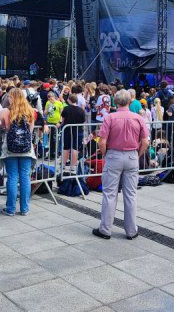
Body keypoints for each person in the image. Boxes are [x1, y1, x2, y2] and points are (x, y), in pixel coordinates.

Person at [92, 89, 149, 240]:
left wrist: (106, 154)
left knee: (110, 194)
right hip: (132, 156)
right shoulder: (138, 118)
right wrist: (138, 155)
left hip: (114, 155)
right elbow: (145, 141)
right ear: (130, 101)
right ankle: (131, 231)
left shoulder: (109, 118)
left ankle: (105, 229)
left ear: (115, 102)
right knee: (131, 195)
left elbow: (102, 141)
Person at [1, 88, 36, 217]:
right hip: (26, 148)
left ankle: (10, 208)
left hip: (10, 147)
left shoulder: (5, 111)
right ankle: (24, 208)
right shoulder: (30, 111)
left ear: (12, 98)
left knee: (12, 177)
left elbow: (3, 127)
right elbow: (30, 131)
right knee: (25, 177)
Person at [60, 94, 86, 171]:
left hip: (67, 130)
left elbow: (63, 119)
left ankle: (63, 164)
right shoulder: (81, 110)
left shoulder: (66, 109)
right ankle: (73, 166)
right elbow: (82, 120)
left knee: (66, 147)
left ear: (69, 100)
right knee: (75, 148)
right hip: (78, 130)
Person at [44, 91, 64, 159]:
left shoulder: (59, 103)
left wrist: (60, 122)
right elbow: (45, 113)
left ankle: (56, 153)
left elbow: (62, 113)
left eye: (51, 97)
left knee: (55, 139)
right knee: (50, 138)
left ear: (54, 97)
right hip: (49, 122)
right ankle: (51, 153)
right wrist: (48, 108)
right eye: (48, 98)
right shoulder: (48, 103)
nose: (50, 99)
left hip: (56, 123)